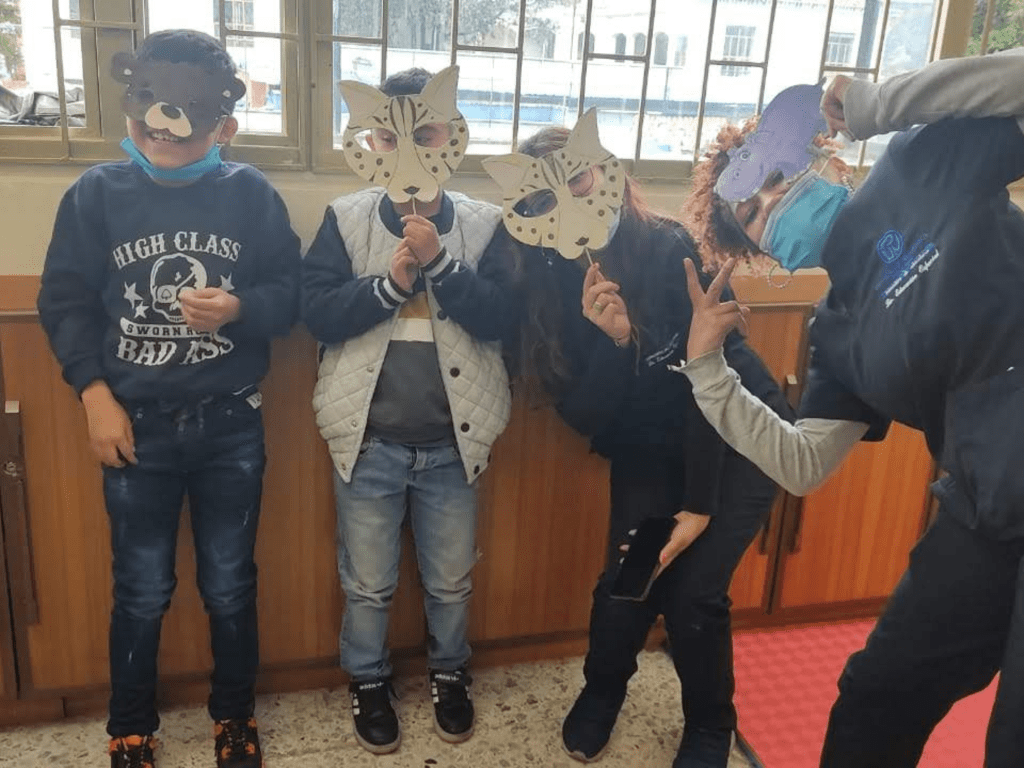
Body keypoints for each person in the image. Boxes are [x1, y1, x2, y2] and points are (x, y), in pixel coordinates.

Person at [677, 49, 1024, 768]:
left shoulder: (915, 162)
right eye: (751, 214)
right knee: (875, 694)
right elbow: (801, 465)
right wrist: (708, 371)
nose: (771, 205)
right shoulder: (836, 334)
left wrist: (881, 103)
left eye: (773, 179)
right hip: (984, 507)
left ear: (818, 158)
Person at [477, 116, 793, 767]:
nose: (566, 199)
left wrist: (700, 505)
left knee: (694, 592)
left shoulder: (664, 246)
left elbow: (711, 385)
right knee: (632, 575)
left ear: (608, 173)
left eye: (579, 176)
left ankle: (710, 724)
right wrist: (614, 342)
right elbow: (588, 416)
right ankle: (603, 692)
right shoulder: (544, 288)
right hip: (650, 450)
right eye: (543, 197)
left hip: (738, 438)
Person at [36, 29, 301, 768]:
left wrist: (240, 308)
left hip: (230, 426)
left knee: (228, 584)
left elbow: (290, 292)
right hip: (134, 425)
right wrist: (92, 394)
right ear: (130, 107)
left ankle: (234, 718)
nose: (164, 127)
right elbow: (64, 300)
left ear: (225, 126)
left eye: (185, 116)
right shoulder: (96, 194)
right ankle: (130, 726)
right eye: (148, 107)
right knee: (143, 588)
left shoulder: (249, 194)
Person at [301, 66, 511, 754]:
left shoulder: (484, 224)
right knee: (367, 583)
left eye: (427, 134)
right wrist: (391, 284)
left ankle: (451, 671)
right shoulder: (345, 216)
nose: (411, 151)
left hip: (455, 443)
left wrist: (442, 265)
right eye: (390, 138)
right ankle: (367, 677)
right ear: (370, 143)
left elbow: (505, 318)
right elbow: (319, 315)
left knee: (451, 579)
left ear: (452, 136)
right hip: (368, 442)